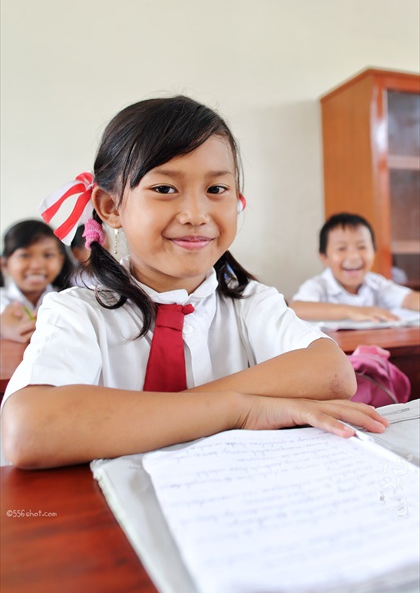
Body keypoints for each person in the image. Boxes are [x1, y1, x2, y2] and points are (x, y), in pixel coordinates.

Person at [1, 97, 388, 469]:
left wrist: (161, 414)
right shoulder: (77, 311)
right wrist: (239, 408)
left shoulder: (250, 301)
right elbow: (29, 429)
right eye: (165, 189)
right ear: (111, 207)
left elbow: (333, 372)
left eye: (216, 189)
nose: (196, 213)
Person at [289, 212, 420, 321]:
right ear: (324, 257)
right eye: (341, 248)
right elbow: (297, 308)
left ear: (374, 252)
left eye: (362, 247)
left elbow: (408, 299)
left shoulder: (376, 284)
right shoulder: (318, 286)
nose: (353, 256)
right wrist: (353, 311)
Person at [0, 219, 73, 343]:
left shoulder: (69, 300)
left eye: (48, 255)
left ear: (61, 261)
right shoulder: (3, 300)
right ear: (5, 264)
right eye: (24, 255)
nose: (36, 265)